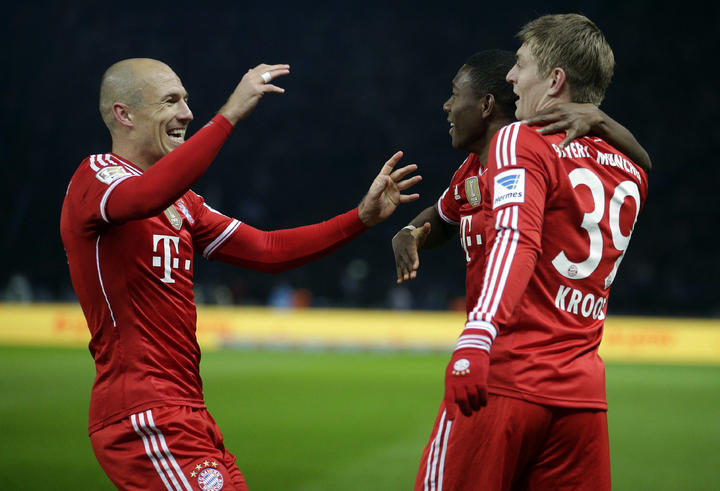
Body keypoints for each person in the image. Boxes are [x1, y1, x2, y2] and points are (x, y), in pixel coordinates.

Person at [60, 58, 421, 491]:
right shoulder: (97, 177)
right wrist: (230, 113)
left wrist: (359, 218)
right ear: (124, 114)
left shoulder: (185, 203)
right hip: (143, 411)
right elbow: (144, 197)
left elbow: (267, 250)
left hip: (187, 410)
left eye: (186, 101)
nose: (187, 113)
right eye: (171, 101)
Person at [411, 15, 649, 490]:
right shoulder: (630, 168)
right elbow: (646, 161)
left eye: (520, 65)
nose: (511, 78)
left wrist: (479, 332)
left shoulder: (520, 139)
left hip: (506, 380)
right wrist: (602, 120)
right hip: (582, 401)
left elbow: (516, 238)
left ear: (555, 80)